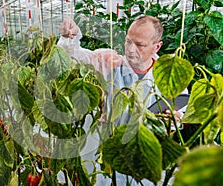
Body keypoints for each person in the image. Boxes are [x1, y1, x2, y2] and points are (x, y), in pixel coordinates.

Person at [57, 16, 185, 186]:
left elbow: (180, 112)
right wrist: (70, 37)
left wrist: (175, 119)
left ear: (157, 46)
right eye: (128, 41)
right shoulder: (111, 64)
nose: (130, 49)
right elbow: (73, 57)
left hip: (148, 156)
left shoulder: (169, 75)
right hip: (111, 156)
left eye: (140, 45)